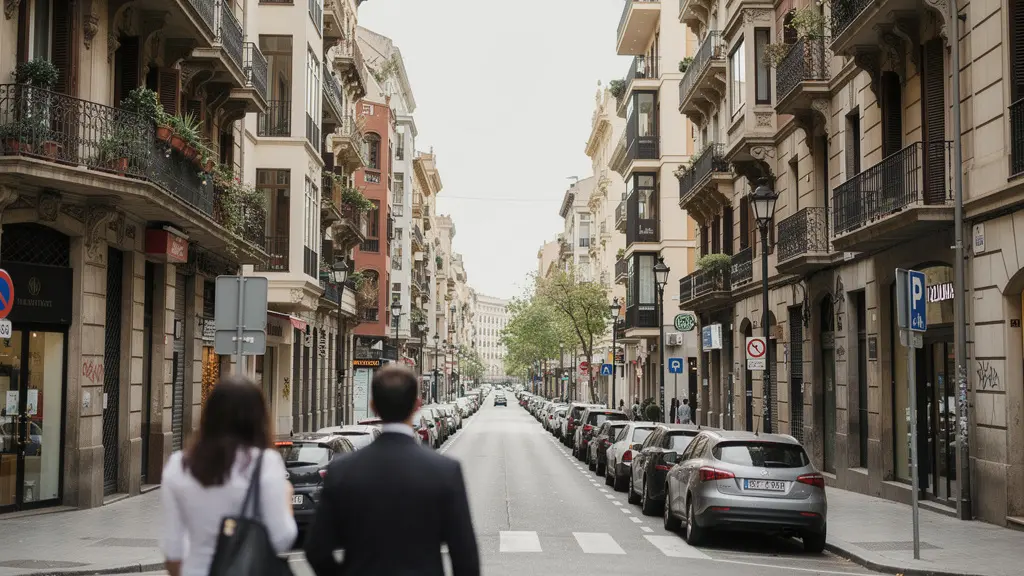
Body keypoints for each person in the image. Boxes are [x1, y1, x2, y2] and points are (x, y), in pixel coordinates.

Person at [304, 365, 480, 576]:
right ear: (417, 405)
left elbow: (317, 550)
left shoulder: (341, 470)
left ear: (373, 406)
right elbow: (465, 557)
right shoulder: (445, 471)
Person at [161, 375, 296, 576]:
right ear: (259, 419)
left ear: (208, 416)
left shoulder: (179, 465)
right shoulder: (265, 463)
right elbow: (281, 538)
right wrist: (287, 495)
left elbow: (172, 551)